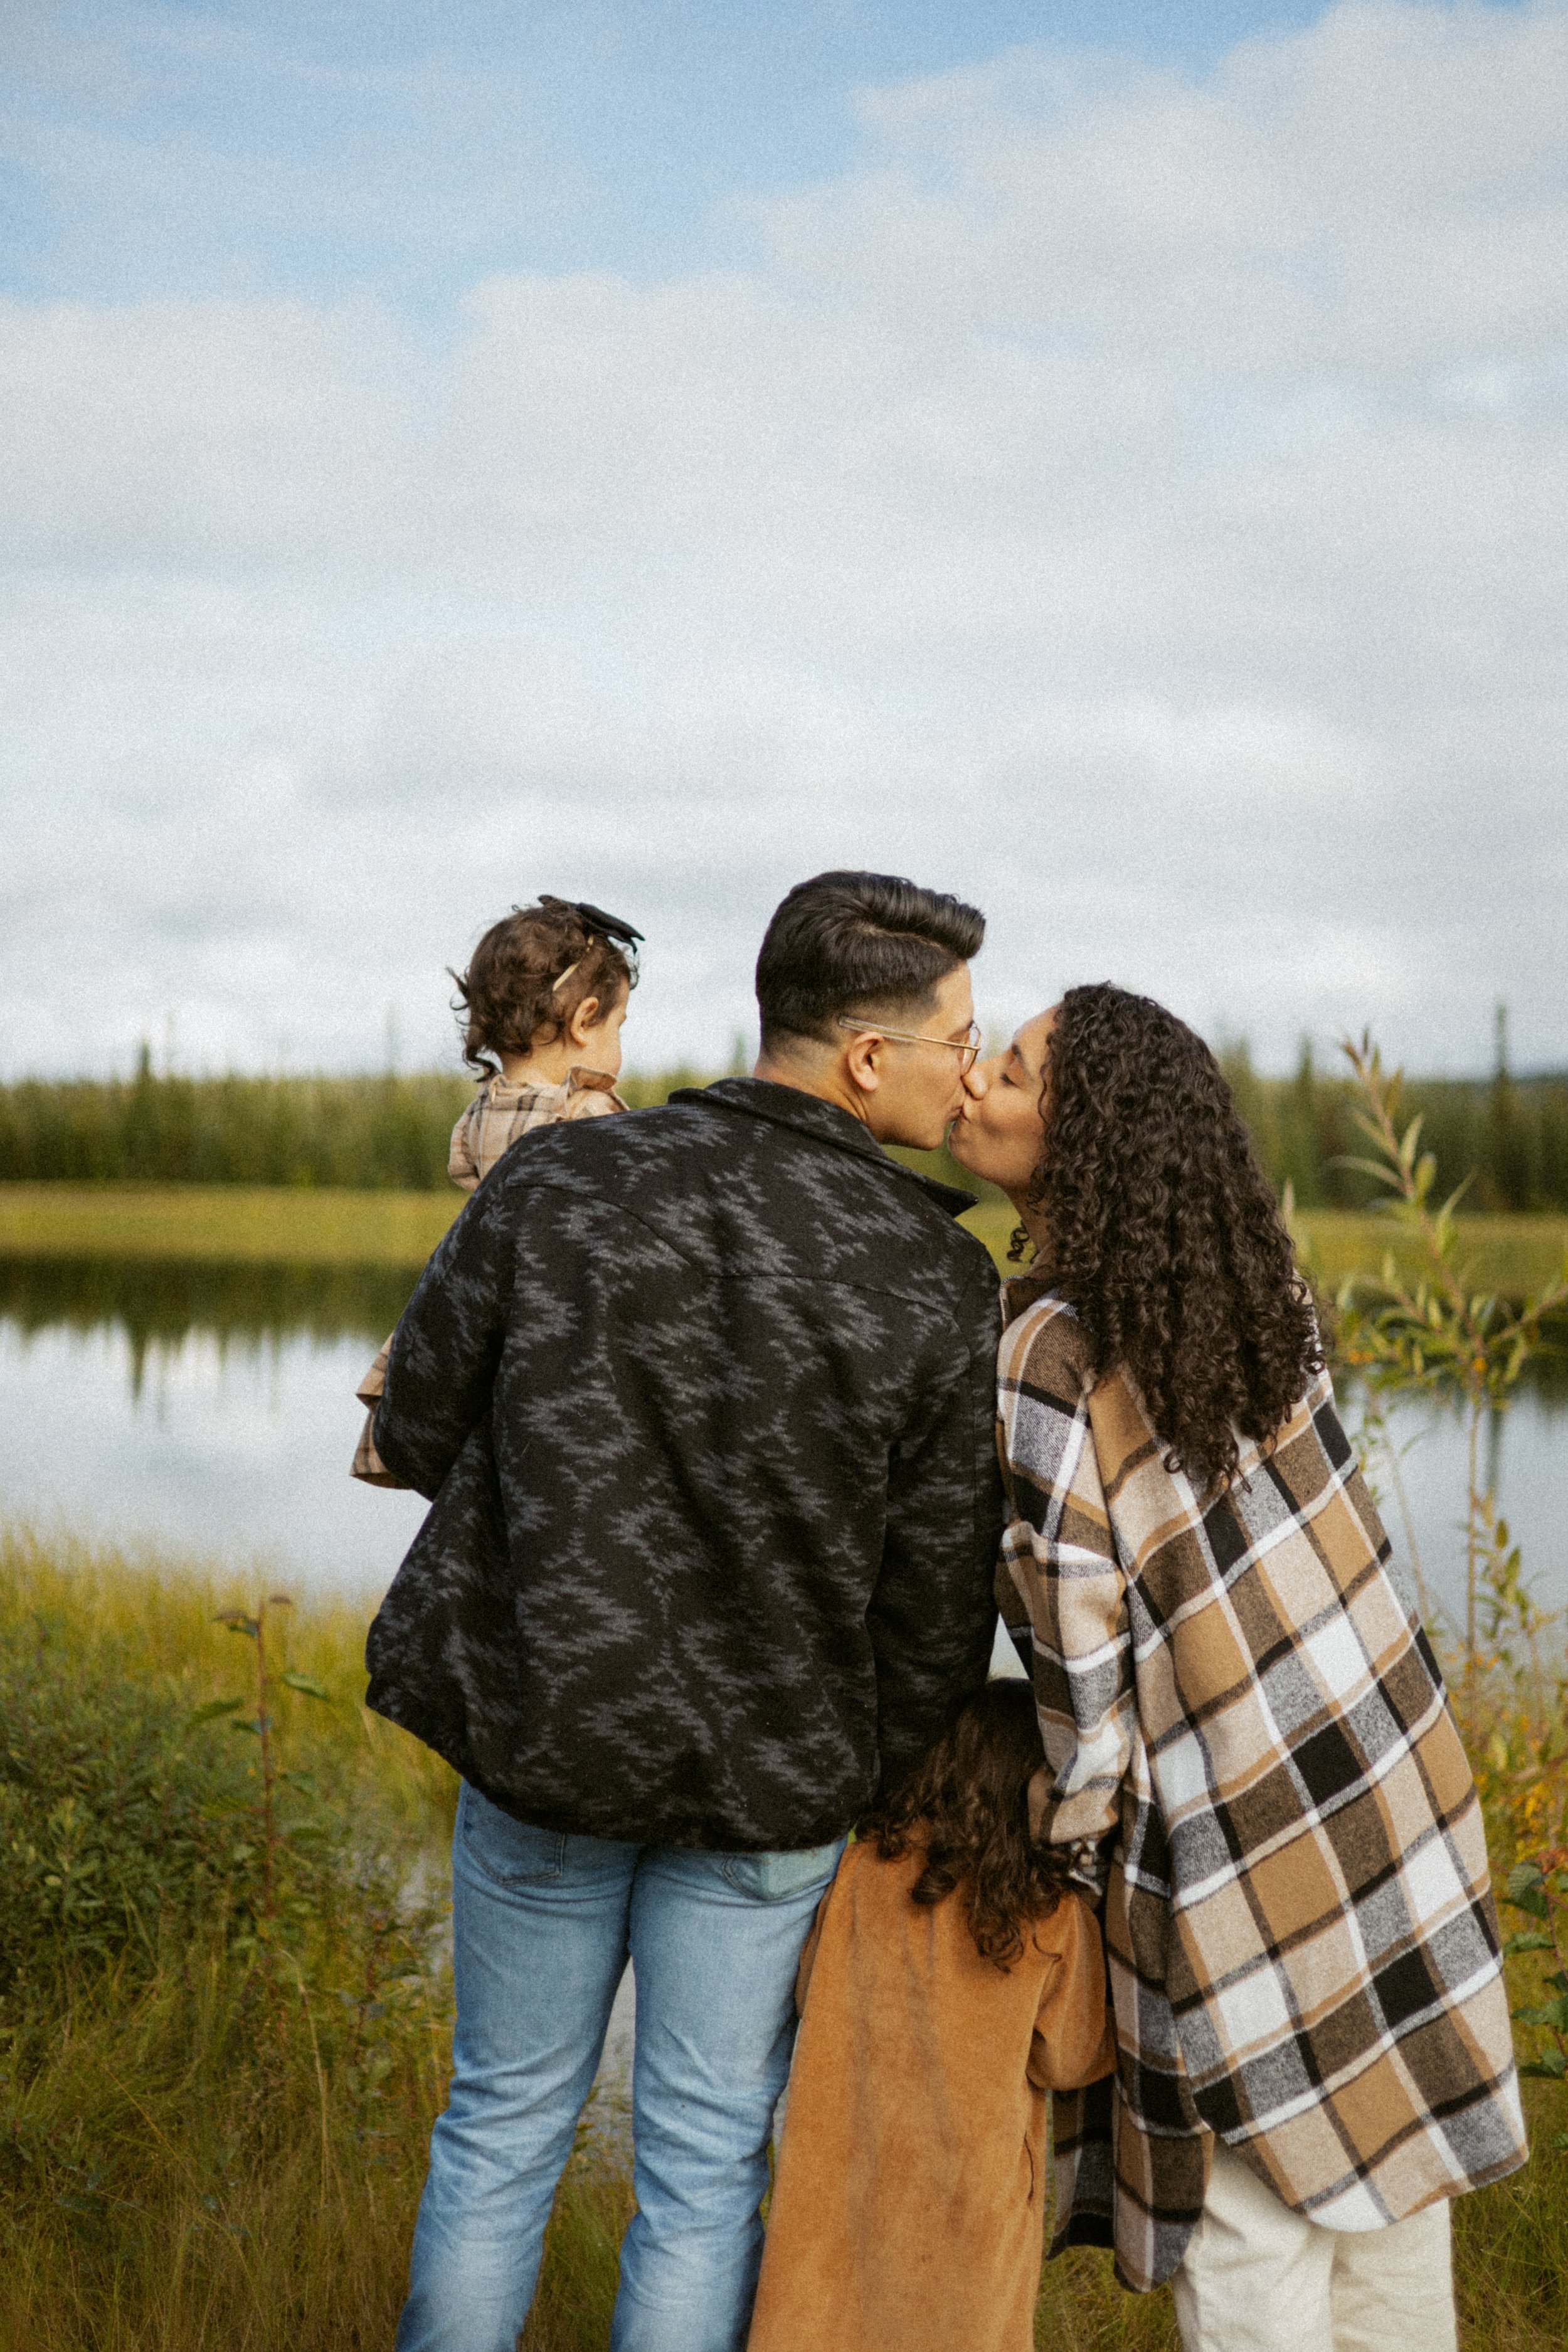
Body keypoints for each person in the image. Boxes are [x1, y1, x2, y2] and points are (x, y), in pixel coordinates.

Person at [364, 870, 1007, 2352]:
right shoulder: (936, 1275)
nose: (967, 1073)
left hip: (544, 1738)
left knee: (502, 2121)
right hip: (772, 1787)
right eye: (956, 1041)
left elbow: (414, 1425)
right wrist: (856, 1763)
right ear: (865, 1057)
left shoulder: (560, 1180)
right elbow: (932, 1611)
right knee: (708, 2165)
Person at [948, 983, 1527, 2352]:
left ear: (1079, 1140)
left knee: (1251, 2240)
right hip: (1394, 1795)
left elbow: (1078, 1680)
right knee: (1391, 2212)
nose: (974, 1081)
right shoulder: (1262, 1290)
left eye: (1013, 1072)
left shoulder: (1044, 1354)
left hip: (1234, 1845)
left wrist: (1070, 1843)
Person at [748, 1679, 1115, 2352]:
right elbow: (1070, 2058)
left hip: (840, 2180)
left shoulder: (858, 1870)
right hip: (969, 2206)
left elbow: (807, 1994)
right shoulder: (1048, 1914)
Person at [351, 894, 640, 1487]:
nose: (619, 1048)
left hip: (487, 1311)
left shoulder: (484, 1110)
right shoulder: (588, 1111)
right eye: (618, 1027)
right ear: (585, 1020)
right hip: (560, 1318)